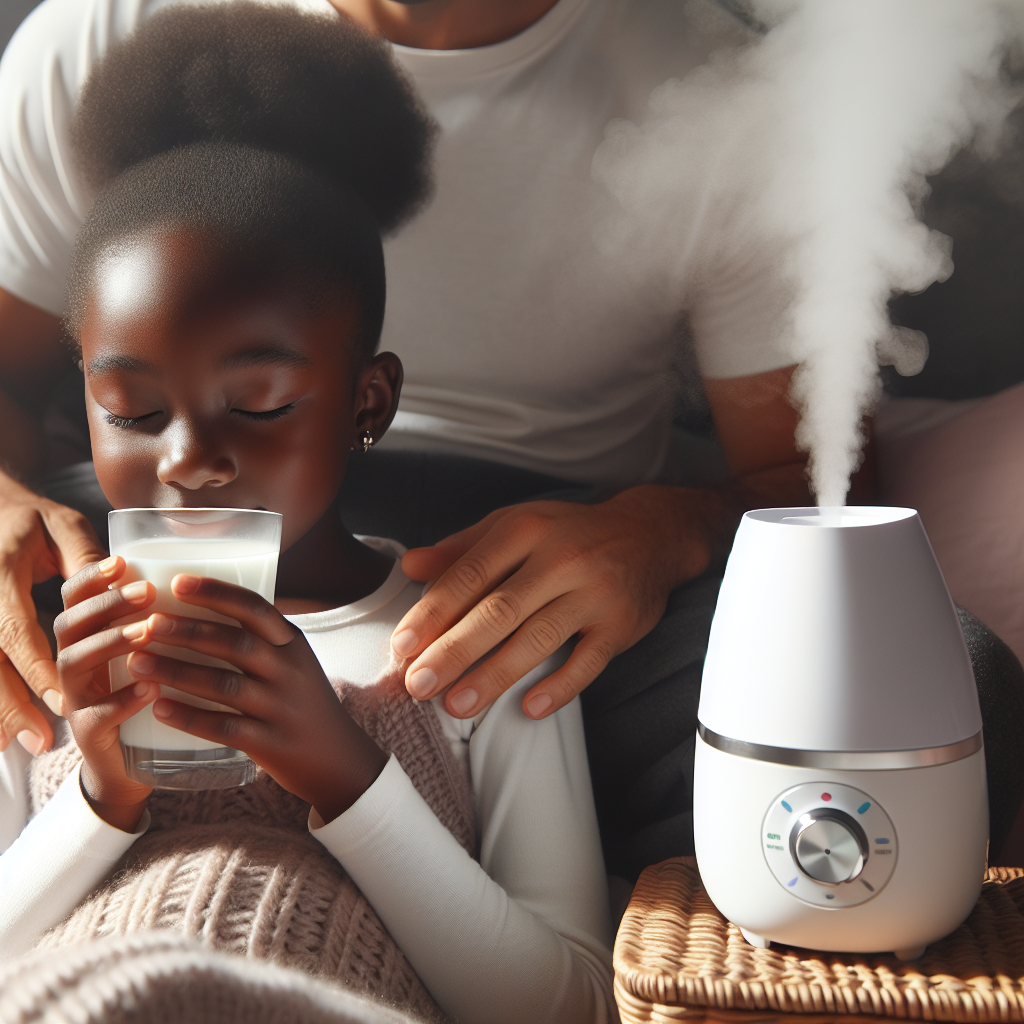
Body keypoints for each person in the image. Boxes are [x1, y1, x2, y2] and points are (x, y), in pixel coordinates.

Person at [0, 0, 1021, 880]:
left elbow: (804, 486)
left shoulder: (720, 91)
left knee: (920, 692)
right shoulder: (109, 35)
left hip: (541, 613)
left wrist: (661, 530)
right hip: (146, 544)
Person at [0, 8, 615, 1023]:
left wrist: (348, 773)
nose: (190, 459)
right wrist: (101, 794)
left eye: (259, 405)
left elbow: (574, 1006)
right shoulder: (47, 642)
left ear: (366, 403)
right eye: (134, 412)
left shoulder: (469, 647)